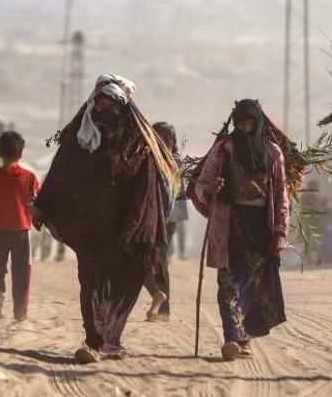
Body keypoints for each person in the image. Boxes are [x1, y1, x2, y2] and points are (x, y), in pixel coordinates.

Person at [34, 74, 176, 364]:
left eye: (108, 103)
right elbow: (60, 172)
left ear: (121, 106)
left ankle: (110, 339)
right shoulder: (81, 137)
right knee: (90, 281)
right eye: (98, 102)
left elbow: (150, 183)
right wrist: (43, 205)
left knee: (126, 280)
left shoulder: (139, 140)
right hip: (89, 226)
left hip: (126, 227)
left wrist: (139, 223)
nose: (101, 108)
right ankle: (94, 340)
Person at [191, 99, 288, 361]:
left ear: (257, 123)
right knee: (228, 283)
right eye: (240, 122)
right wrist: (213, 189)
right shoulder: (224, 149)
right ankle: (232, 337)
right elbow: (201, 184)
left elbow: (280, 195)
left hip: (261, 229)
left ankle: (245, 339)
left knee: (254, 286)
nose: (245, 127)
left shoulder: (272, 153)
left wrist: (280, 231)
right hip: (230, 225)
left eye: (249, 122)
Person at [0, 130, 40, 321]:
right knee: (22, 271)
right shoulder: (29, 177)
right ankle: (20, 312)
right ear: (20, 154)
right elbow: (35, 202)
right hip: (22, 229)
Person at [142, 121, 181, 321]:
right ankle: (160, 302)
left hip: (165, 218)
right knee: (150, 261)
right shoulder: (159, 159)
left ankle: (162, 306)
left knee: (157, 260)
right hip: (156, 217)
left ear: (171, 143)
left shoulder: (172, 161)